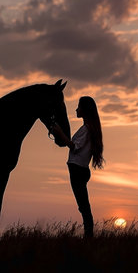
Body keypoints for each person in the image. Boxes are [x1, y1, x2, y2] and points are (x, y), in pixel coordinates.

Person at [50, 96, 104, 238]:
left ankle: (89, 236)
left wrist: (60, 134)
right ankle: (88, 235)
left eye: (79, 107)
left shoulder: (86, 129)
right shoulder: (88, 128)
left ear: (85, 110)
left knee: (84, 207)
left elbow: (74, 147)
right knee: (83, 206)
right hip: (80, 170)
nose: (76, 109)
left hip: (77, 170)